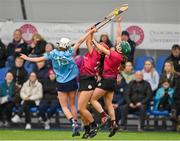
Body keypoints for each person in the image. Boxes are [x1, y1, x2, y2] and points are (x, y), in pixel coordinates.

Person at [19, 28, 96, 136]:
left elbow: (39, 59)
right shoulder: (70, 52)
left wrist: (27, 58)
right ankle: (76, 123)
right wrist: (90, 32)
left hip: (61, 83)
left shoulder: (53, 53)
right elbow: (80, 41)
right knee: (73, 105)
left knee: (64, 106)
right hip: (72, 82)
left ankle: (74, 124)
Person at [90, 17, 129, 137]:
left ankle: (103, 116)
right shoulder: (120, 54)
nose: (118, 42)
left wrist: (92, 39)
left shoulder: (116, 55)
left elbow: (101, 48)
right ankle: (114, 124)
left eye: (120, 44)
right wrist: (119, 23)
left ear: (120, 48)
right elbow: (118, 36)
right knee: (109, 104)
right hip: (112, 82)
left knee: (93, 99)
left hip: (107, 80)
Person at [77, 29, 108, 139]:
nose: (97, 46)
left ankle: (94, 126)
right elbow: (88, 41)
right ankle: (87, 130)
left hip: (88, 81)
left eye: (99, 46)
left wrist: (92, 31)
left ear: (101, 50)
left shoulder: (95, 54)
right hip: (84, 81)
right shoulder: (95, 53)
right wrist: (91, 31)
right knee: (82, 110)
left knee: (81, 108)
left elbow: (88, 42)